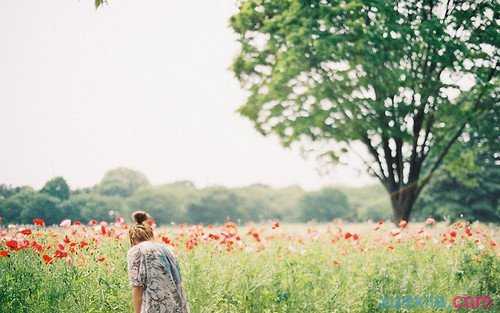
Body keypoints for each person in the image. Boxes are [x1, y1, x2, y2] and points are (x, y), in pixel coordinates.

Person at [127, 211, 189, 313]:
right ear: (150, 234)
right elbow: (178, 281)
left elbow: (137, 287)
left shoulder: (136, 251)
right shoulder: (167, 250)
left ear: (132, 238)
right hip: (178, 306)